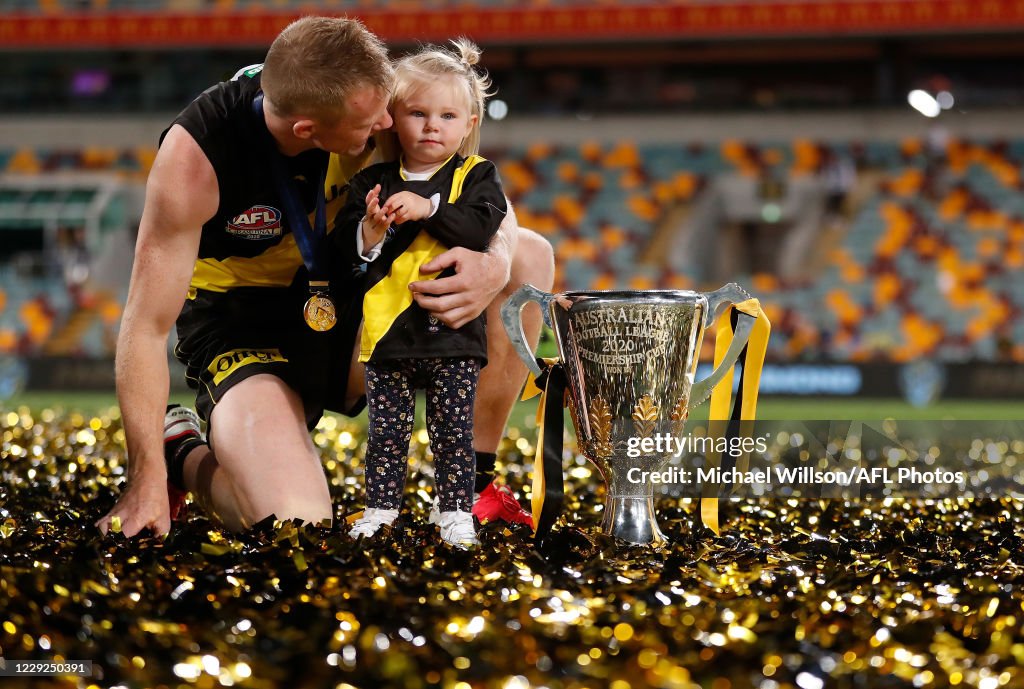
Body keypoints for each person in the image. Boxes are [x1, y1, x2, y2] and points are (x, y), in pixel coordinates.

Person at [94, 16, 553, 539]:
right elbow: (145, 327)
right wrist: (145, 476)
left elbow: (476, 182)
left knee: (527, 257)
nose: (388, 124)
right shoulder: (197, 157)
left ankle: (474, 483)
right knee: (292, 524)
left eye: (390, 106)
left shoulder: (361, 104)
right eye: (373, 120)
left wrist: (494, 260)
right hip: (245, 323)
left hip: (349, 300)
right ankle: (183, 454)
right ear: (308, 132)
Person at [340, 40, 504, 547]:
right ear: (393, 119)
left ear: (469, 122)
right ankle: (381, 509)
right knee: (386, 436)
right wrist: (369, 232)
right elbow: (350, 255)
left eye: (447, 115)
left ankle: (453, 512)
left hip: (453, 335)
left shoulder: (475, 176)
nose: (433, 126)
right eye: (418, 113)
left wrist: (428, 207)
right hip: (387, 334)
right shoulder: (372, 181)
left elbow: (480, 232)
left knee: (453, 435)